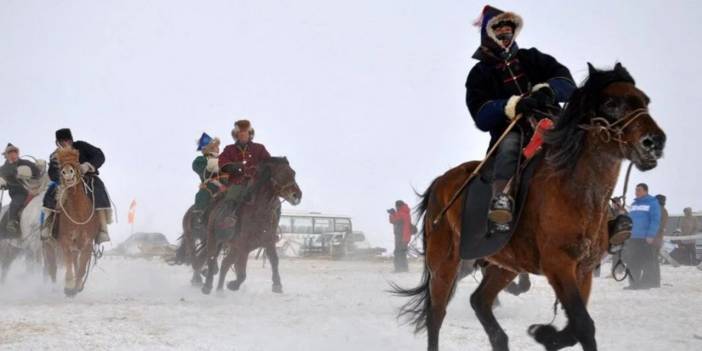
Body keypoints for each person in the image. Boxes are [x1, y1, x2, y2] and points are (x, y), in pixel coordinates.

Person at [465, 6, 575, 233]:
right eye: (500, 34)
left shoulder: (533, 58)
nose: (506, 38)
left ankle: (606, 209)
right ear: (490, 36)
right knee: (509, 148)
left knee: (584, 146)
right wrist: (511, 106)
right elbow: (481, 115)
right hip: (512, 129)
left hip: (552, 123)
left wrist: (548, 90)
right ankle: (500, 202)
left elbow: (567, 83)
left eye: (509, 33)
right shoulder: (480, 73)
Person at [42, 128, 112, 244]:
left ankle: (103, 229)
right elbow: (52, 173)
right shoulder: (55, 155)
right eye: (62, 141)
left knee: (98, 190)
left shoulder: (81, 146)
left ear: (71, 139)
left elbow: (99, 155)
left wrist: (88, 165)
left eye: (68, 140)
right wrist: (61, 177)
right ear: (57, 142)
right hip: (65, 182)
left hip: (87, 178)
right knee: (51, 193)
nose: (66, 143)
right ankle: (48, 224)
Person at [218, 120, 271, 226]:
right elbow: (222, 161)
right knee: (233, 193)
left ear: (249, 134)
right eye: (240, 133)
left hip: (257, 183)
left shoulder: (259, 148)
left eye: (245, 132)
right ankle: (229, 217)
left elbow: (268, 162)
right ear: (236, 135)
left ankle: (272, 225)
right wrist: (233, 167)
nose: (242, 135)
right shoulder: (229, 149)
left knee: (274, 200)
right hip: (237, 182)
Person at [624, 183, 661, 290]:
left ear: (645, 191)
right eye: (636, 190)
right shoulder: (634, 204)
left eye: (639, 190)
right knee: (632, 261)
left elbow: (655, 220)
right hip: (633, 238)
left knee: (646, 261)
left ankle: (647, 283)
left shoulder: (652, 203)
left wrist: (650, 235)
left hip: (645, 238)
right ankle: (634, 284)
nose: (636, 192)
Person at [0, 143, 41, 235]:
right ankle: (12, 222)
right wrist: (2, 183)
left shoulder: (26, 163)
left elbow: (38, 173)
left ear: (17, 153)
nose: (13, 155)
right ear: (6, 155)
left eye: (15, 152)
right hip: (18, 192)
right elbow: (4, 184)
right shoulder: (3, 169)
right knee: (15, 203)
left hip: (35, 189)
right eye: (10, 153)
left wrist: (39, 168)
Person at [191, 133, 223, 235]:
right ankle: (199, 218)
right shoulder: (200, 160)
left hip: (226, 186)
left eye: (217, 146)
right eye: (214, 147)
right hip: (210, 186)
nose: (217, 148)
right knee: (203, 195)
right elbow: (205, 173)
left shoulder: (224, 159)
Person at [388, 200, 412, 273]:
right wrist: (394, 213)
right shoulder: (405, 213)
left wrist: (392, 213)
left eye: (396, 206)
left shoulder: (401, 213)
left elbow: (393, 220)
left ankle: (399, 269)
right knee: (402, 253)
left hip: (401, 237)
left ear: (399, 206)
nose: (396, 207)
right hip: (405, 236)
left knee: (398, 253)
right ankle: (404, 269)